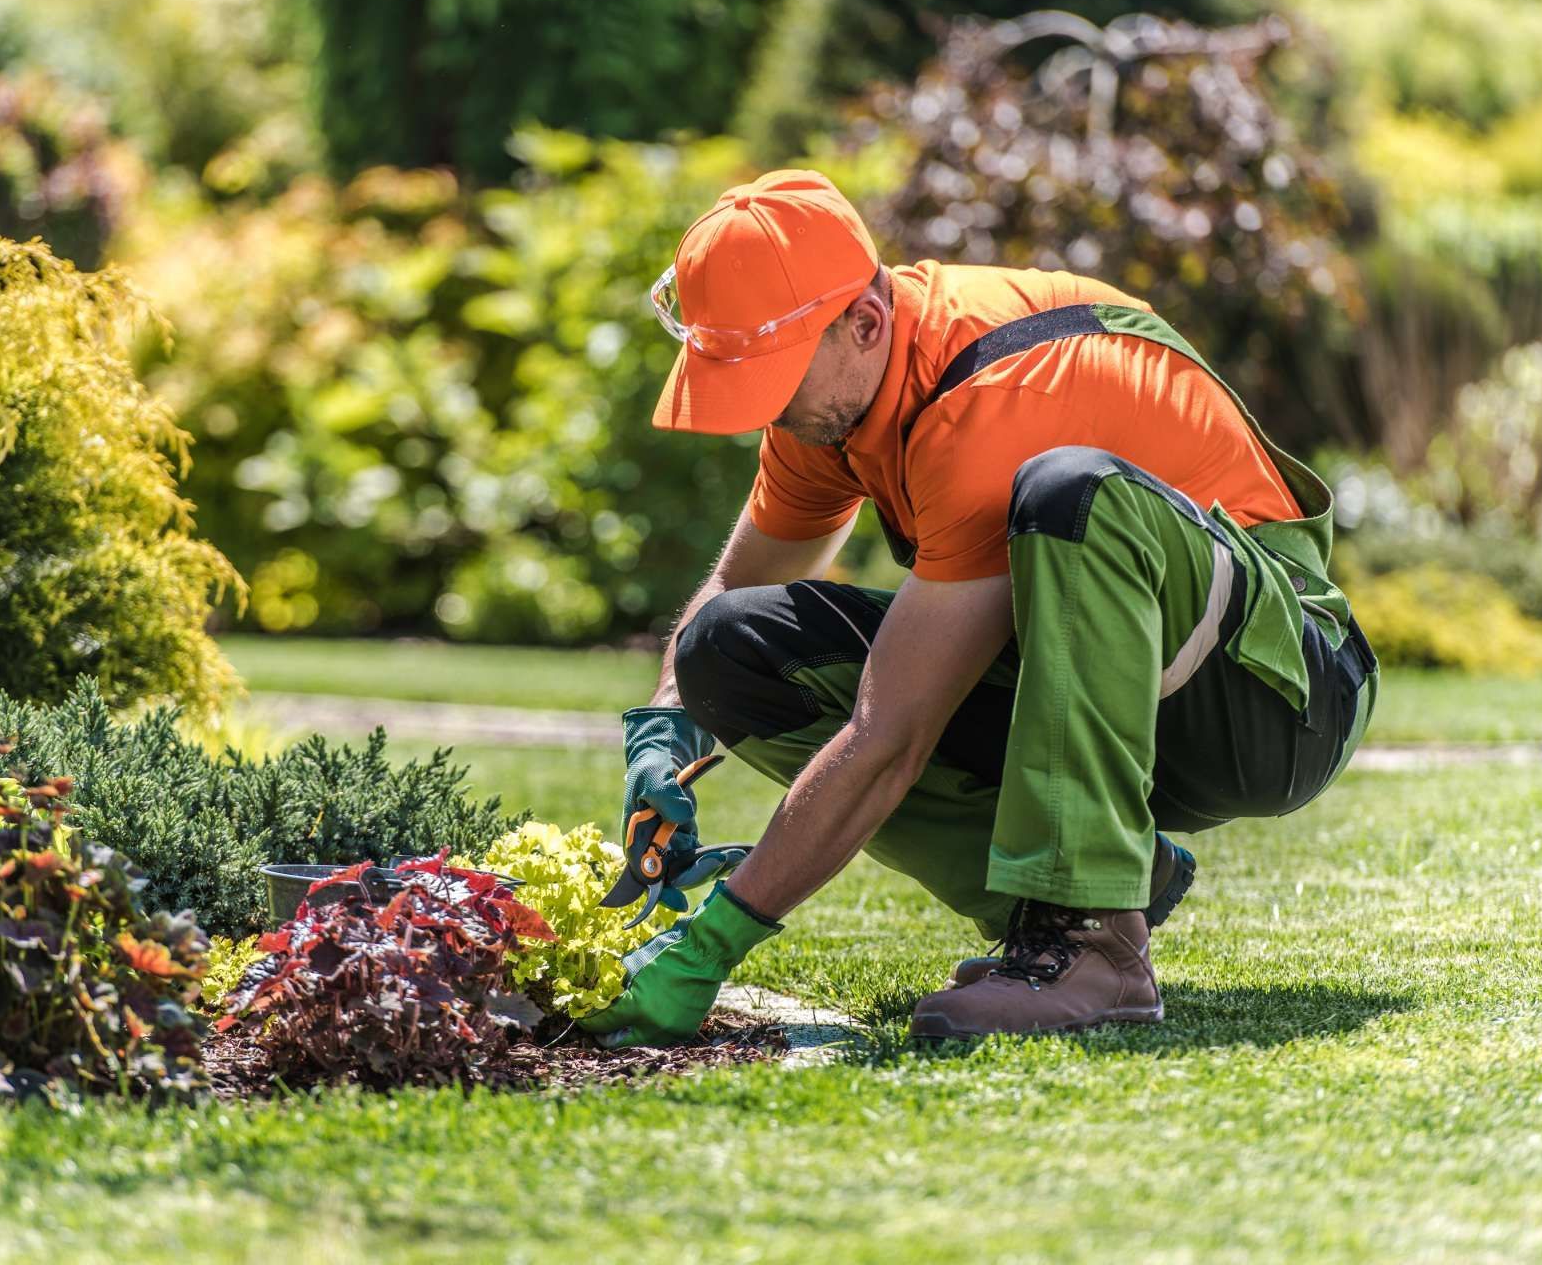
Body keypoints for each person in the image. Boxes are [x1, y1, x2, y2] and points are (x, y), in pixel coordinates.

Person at [577, 169, 1377, 1048]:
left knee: (1073, 492)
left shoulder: (993, 399)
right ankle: (1094, 891)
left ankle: (1091, 939)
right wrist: (663, 732)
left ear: (865, 324)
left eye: (770, 383)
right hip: (1123, 689)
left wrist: (714, 942)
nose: (758, 418)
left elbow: (891, 735)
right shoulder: (834, 405)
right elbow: (730, 594)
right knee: (724, 648)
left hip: (1276, 697)